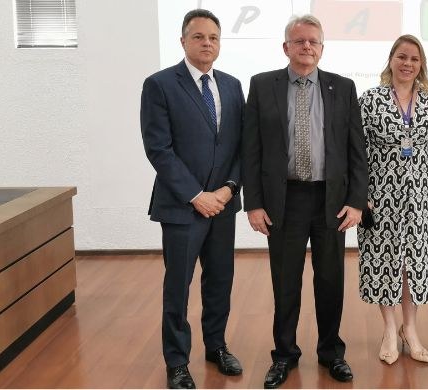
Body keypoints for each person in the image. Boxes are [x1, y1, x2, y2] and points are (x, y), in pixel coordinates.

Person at [240, 14, 367, 389]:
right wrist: (254, 203)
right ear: (286, 47)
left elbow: (355, 151)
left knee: (330, 281)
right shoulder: (263, 86)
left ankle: (331, 353)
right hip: (284, 201)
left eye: (313, 41)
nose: (306, 47)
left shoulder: (342, 88)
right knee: (286, 282)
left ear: (322, 48)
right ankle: (284, 356)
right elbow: (252, 150)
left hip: (331, 200)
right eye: (299, 41)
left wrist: (357, 201)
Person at [140, 9, 244, 389]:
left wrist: (229, 188)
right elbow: (158, 148)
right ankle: (177, 362)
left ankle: (216, 347)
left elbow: (240, 145)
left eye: (214, 37)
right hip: (183, 206)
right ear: (183, 41)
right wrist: (196, 195)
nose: (207, 43)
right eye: (199, 36)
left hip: (223, 204)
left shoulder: (232, 86)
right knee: (178, 285)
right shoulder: (161, 84)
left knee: (220, 281)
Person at [357, 34, 428, 365]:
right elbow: (359, 149)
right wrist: (361, 193)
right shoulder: (370, 100)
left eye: (414, 58)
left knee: (415, 263)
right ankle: (389, 329)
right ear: (391, 60)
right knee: (385, 261)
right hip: (380, 196)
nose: (407, 63)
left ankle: (410, 329)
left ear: (421, 64)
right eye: (402, 57)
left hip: (422, 198)